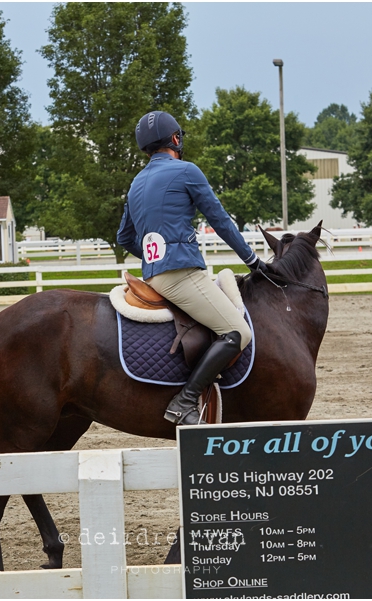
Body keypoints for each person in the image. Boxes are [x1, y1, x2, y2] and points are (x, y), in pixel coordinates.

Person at [117, 110, 269, 425]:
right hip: (181, 274)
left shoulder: (135, 184)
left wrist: (153, 257)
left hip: (153, 276)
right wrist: (253, 261)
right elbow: (220, 221)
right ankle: (184, 402)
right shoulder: (186, 171)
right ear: (176, 139)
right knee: (237, 331)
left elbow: (124, 237)